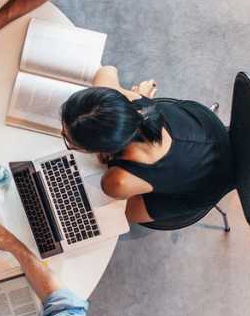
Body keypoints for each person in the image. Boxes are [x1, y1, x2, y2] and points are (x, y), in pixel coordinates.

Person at [60, 66, 236, 224]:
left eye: (69, 141)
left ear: (100, 149)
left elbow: (124, 204)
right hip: (208, 129)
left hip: (207, 186)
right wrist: (134, 96)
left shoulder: (117, 181)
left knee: (126, 214)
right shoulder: (132, 101)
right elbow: (107, 71)